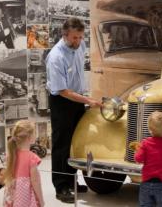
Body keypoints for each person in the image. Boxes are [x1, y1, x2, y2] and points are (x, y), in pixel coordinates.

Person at [46, 17, 101, 203]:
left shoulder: (81, 45)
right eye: (74, 38)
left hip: (77, 98)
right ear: (64, 35)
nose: (78, 41)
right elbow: (61, 90)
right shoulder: (56, 57)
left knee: (75, 142)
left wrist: (84, 98)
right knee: (62, 144)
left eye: (80, 37)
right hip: (62, 101)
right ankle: (61, 186)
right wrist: (87, 100)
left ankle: (72, 181)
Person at [132, 111, 162, 207]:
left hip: (147, 182)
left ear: (150, 129)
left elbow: (138, 159)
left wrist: (137, 149)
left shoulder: (145, 143)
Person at [3, 120, 45, 207]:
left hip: (12, 196)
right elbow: (35, 181)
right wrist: (41, 200)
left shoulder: (11, 155)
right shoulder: (32, 157)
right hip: (26, 196)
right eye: (35, 133)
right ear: (29, 137)